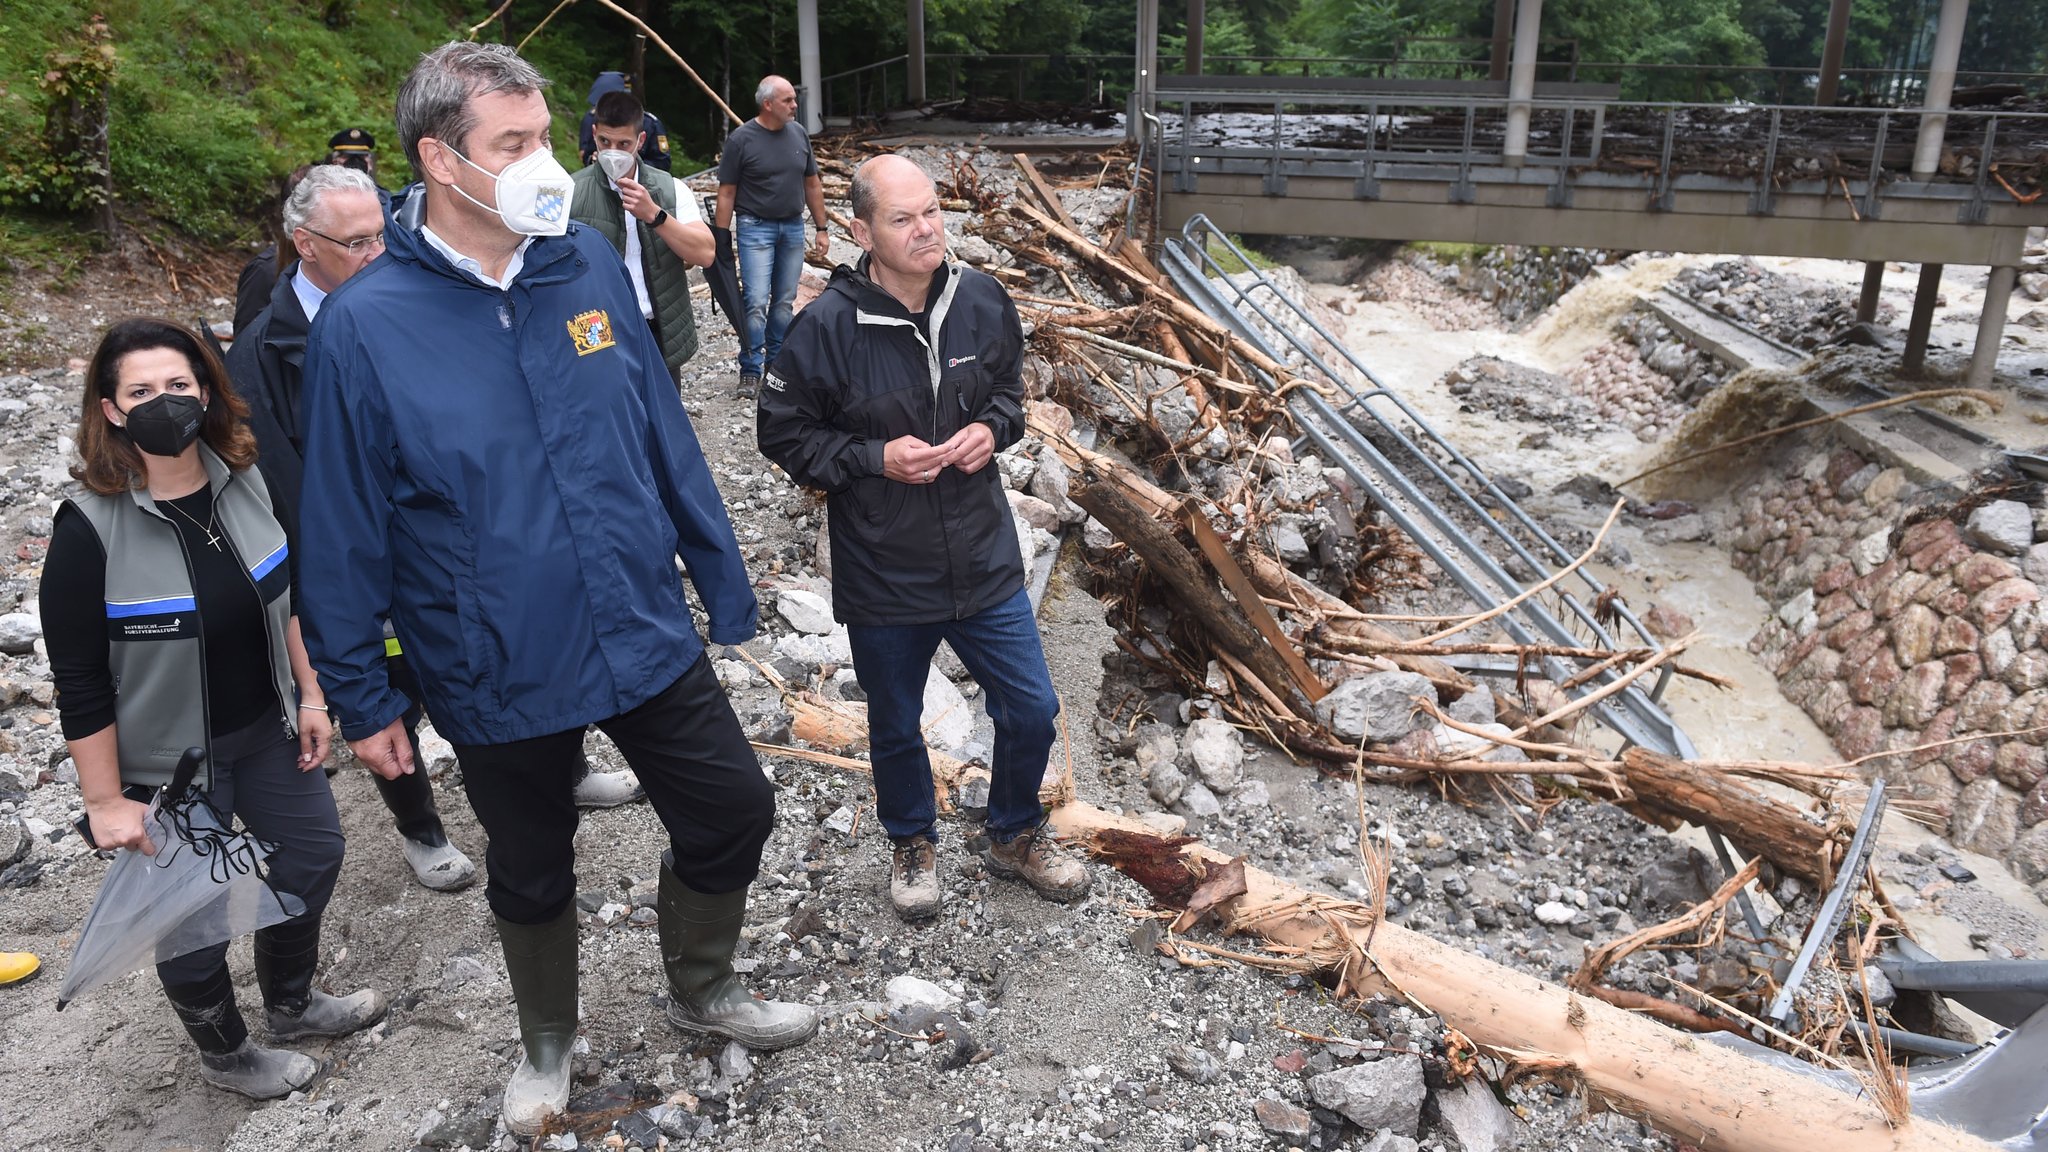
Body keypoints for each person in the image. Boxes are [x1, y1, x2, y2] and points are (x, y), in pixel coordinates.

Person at [296, 42, 816, 1136]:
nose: (544, 162)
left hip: (632, 617)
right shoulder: (364, 325)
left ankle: (704, 983)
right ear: (442, 159)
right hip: (489, 650)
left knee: (733, 810)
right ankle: (546, 1041)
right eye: (514, 145)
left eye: (543, 138)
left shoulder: (581, 261)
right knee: (531, 867)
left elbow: (657, 428)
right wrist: (360, 693)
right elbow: (340, 524)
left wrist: (716, 574)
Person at [41, 318, 385, 1099]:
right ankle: (226, 1054)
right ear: (111, 409)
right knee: (190, 917)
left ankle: (292, 1003)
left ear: (206, 392)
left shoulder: (244, 482)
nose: (164, 402)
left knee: (312, 854)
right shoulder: (89, 530)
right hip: (165, 771)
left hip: (263, 729)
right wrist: (104, 802)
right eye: (141, 391)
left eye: (179, 385)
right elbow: (81, 680)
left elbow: (284, 600)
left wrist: (311, 695)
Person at [758, 155, 1092, 922]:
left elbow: (1011, 393)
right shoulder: (827, 327)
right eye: (903, 219)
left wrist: (990, 430)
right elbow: (781, 434)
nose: (926, 230)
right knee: (895, 721)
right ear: (861, 231)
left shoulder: (979, 300)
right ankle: (912, 841)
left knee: (1031, 709)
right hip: (883, 566)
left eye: (933, 211)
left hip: (981, 554)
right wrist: (874, 458)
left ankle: (1013, 830)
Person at [226, 163, 484, 893]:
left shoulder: (413, 304)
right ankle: (421, 829)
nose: (378, 256)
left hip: (443, 539)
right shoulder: (262, 353)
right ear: (305, 243)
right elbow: (281, 479)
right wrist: (327, 587)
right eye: (357, 244)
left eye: (384, 236)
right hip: (354, 556)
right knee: (384, 696)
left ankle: (563, 770)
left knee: (492, 658)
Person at [571, 88, 712, 383]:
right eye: (604, 141)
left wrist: (655, 215)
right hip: (599, 332)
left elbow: (705, 253)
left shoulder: (671, 189)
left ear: (641, 140)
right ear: (594, 133)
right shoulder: (572, 191)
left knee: (665, 424)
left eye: (623, 143)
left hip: (658, 327)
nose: (613, 152)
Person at [715, 75, 830, 396]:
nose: (795, 105)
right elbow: (726, 192)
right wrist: (721, 238)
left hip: (793, 226)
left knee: (783, 302)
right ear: (768, 104)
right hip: (754, 228)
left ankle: (775, 366)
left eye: (794, 99)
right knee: (754, 302)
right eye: (788, 100)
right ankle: (750, 369)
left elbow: (812, 184)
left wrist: (821, 228)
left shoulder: (798, 134)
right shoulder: (741, 140)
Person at [578, 70, 671, 172]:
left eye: (623, 143)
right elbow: (586, 154)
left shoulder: (650, 124)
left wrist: (631, 165)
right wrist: (593, 160)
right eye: (605, 141)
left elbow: (663, 162)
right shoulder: (595, 119)